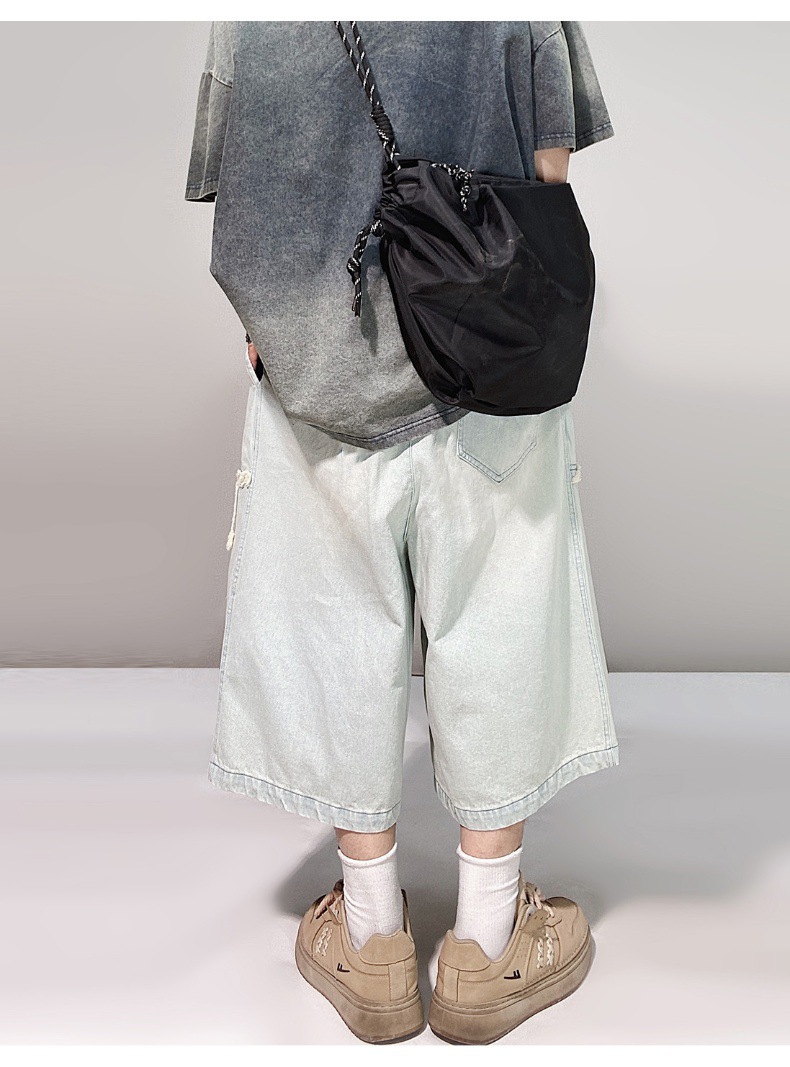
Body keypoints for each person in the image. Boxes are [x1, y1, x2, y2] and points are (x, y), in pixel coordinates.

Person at [185, 20, 618, 1045]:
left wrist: (277, 331)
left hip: (318, 369)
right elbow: (548, 163)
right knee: (501, 622)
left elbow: (236, 178)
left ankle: (372, 936)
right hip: (486, 358)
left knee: (334, 629)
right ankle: (488, 940)